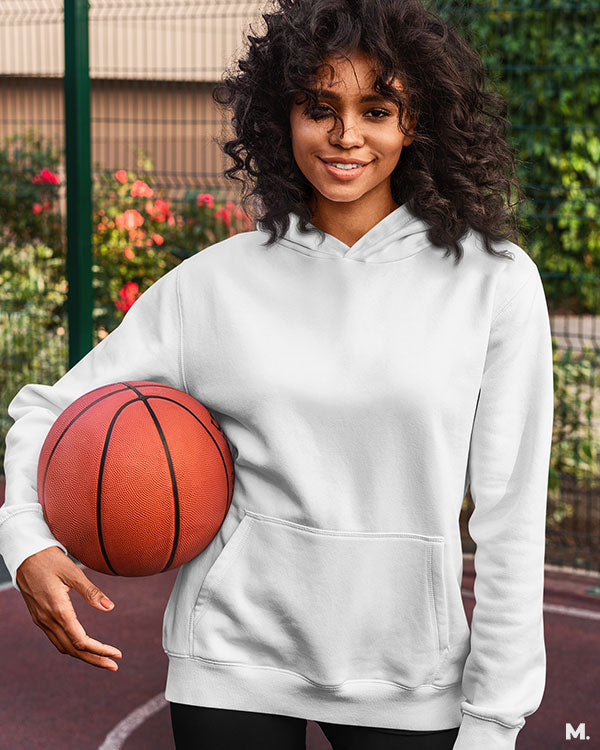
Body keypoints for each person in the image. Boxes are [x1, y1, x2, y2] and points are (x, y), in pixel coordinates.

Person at [0, 0, 555, 748]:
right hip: (231, 666)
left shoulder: (493, 282)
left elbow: (511, 517)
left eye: (377, 109)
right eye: (319, 108)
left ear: (415, 121)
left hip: (411, 677)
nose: (346, 135)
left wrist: (494, 718)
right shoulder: (216, 284)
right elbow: (46, 408)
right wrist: (27, 541)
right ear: (280, 117)